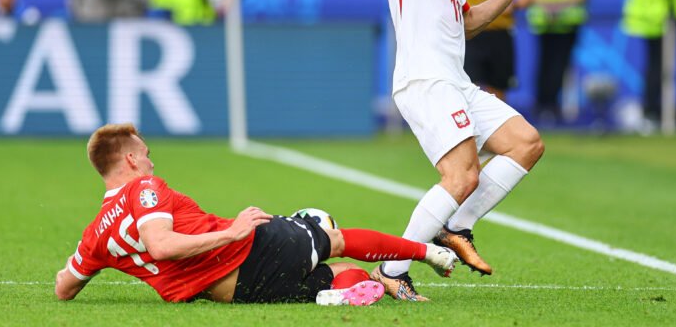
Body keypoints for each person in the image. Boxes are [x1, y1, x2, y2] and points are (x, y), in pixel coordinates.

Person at [359, 0, 553, 301]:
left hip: (456, 80)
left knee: (526, 143)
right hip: (425, 80)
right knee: (461, 175)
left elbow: (465, 23)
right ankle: (393, 268)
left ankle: (456, 224)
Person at [55, 123, 458, 306]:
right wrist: (232, 232)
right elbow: (160, 245)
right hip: (250, 251)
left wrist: (75, 268)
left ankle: (335, 294)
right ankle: (426, 253)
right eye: (146, 155)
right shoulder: (143, 189)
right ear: (129, 159)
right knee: (333, 236)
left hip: (232, 292)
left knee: (335, 276)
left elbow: (64, 289)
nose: (152, 164)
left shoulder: (95, 236)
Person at [526, 0, 589, 122]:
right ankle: (553, 106)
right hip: (568, 17)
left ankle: (542, 105)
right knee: (561, 63)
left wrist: (548, 7)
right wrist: (561, 7)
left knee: (543, 61)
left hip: (542, 16)